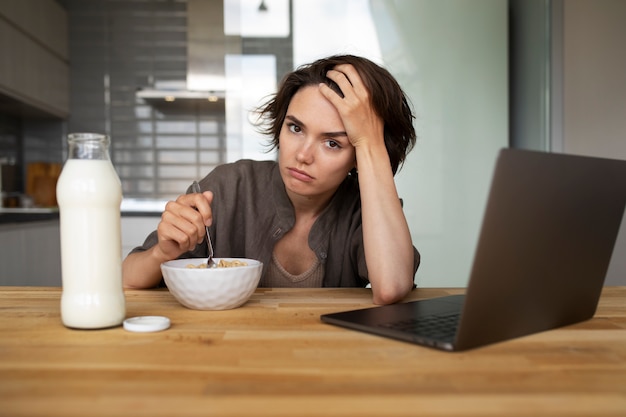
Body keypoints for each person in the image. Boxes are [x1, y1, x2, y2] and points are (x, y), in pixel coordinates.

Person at [123, 54, 420, 305]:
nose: (303, 155)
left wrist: (370, 141)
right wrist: (162, 252)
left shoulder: (365, 209)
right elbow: (127, 279)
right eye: (295, 128)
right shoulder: (229, 186)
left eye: (332, 143)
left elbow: (391, 287)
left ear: (357, 156)